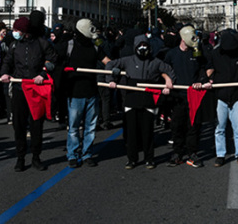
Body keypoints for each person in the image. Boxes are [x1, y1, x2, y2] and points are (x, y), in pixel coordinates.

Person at [106, 35, 175, 170]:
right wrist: (111, 79)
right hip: (131, 99)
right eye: (140, 46)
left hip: (148, 100)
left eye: (145, 45)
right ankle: (132, 159)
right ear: (135, 47)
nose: (143, 48)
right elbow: (110, 64)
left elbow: (169, 70)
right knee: (131, 132)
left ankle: (149, 159)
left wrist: (168, 81)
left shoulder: (155, 62)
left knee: (147, 132)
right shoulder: (127, 60)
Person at [1, 17, 57, 171]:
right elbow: (7, 62)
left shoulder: (42, 43)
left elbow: (52, 60)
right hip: (19, 89)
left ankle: (36, 157)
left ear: (24, 31)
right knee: (18, 125)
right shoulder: (14, 46)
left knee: (36, 125)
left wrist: (43, 74)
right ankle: (20, 158)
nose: (14, 33)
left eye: (16, 30)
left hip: (36, 90)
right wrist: (4, 73)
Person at [205, 30, 238, 167]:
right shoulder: (215, 54)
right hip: (220, 96)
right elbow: (208, 68)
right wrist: (209, 79)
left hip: (237, 95)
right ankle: (220, 154)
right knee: (220, 128)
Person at [63, 19, 108, 168]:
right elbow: (57, 61)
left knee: (90, 127)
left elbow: (107, 60)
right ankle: (73, 155)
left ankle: (87, 153)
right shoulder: (69, 46)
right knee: (74, 127)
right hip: (74, 93)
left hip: (91, 92)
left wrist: (116, 67)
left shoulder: (95, 46)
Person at [163, 25, 208, 167]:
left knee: (194, 126)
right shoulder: (171, 54)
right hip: (178, 96)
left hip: (194, 95)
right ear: (183, 38)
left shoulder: (196, 52)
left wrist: (201, 81)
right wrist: (167, 80)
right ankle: (177, 153)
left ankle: (192, 153)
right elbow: (163, 69)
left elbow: (202, 68)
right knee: (177, 126)